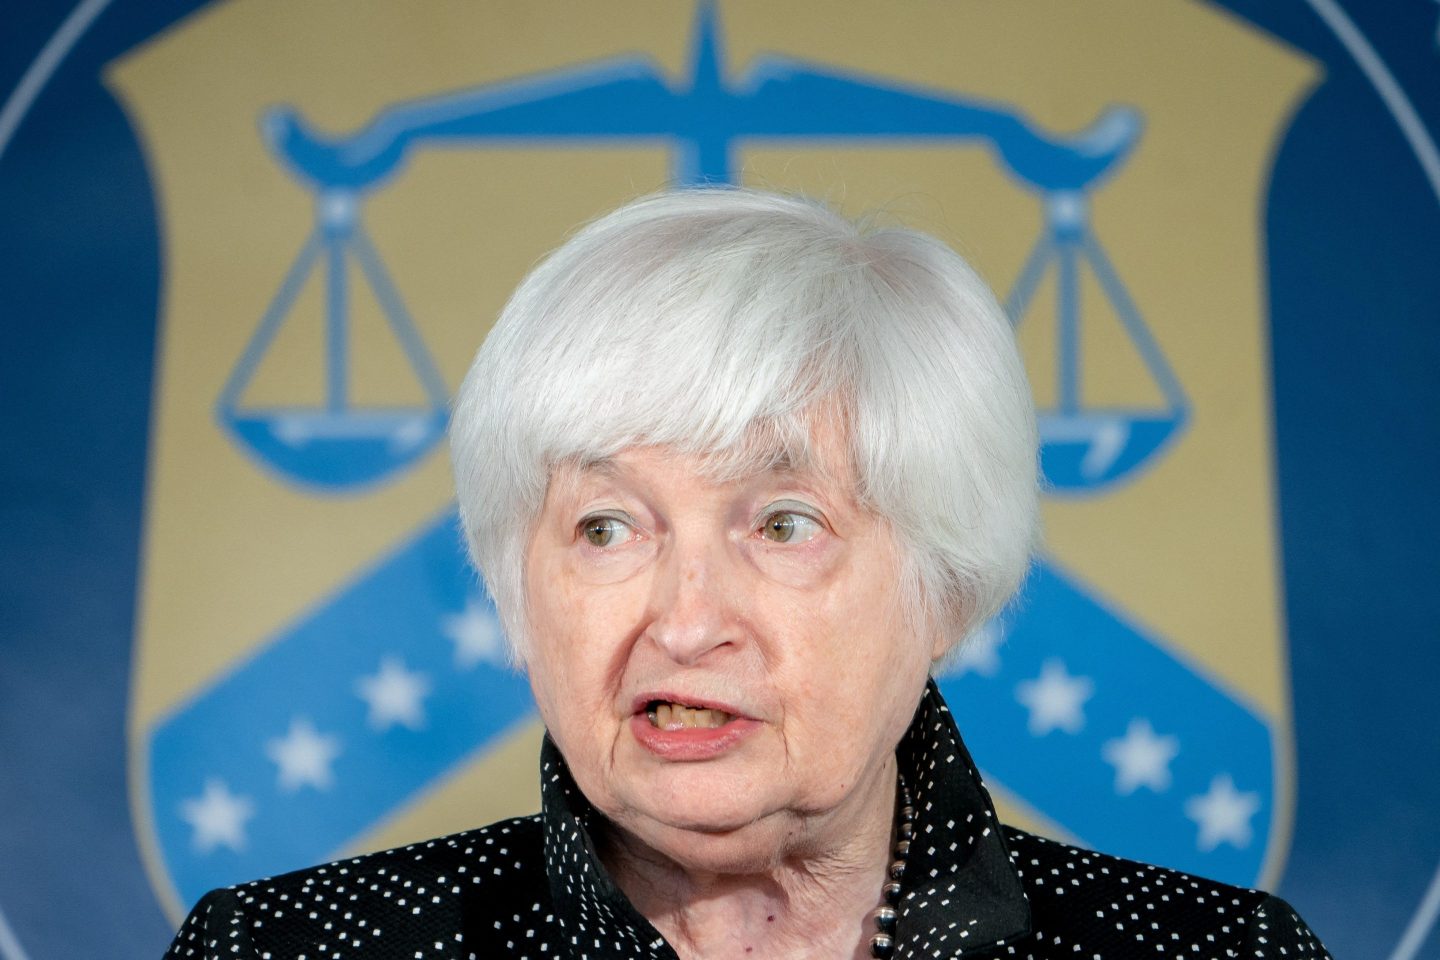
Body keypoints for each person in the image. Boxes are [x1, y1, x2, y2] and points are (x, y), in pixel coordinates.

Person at [167, 188, 1329, 959]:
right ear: (518, 591)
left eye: (782, 524)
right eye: (607, 528)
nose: (686, 622)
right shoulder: (274, 953)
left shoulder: (1223, 954)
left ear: (945, 585)